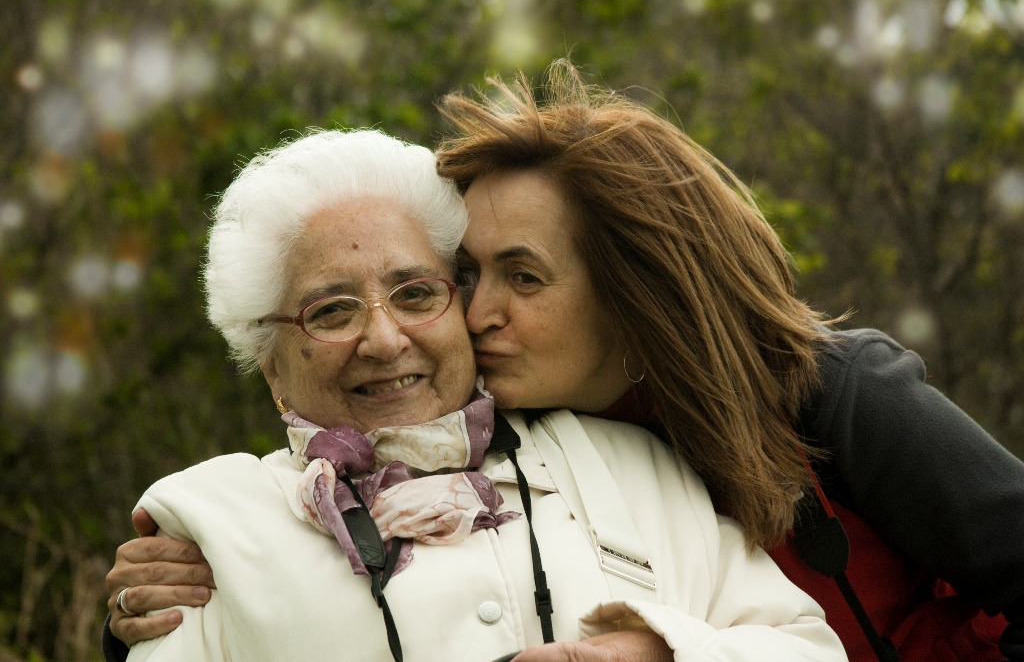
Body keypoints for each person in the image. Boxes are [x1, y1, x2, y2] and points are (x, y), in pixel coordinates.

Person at [104, 62, 1024, 661]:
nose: (474, 313)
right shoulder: (502, 439)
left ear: (633, 295)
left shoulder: (829, 391)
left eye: (524, 276)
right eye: (466, 274)